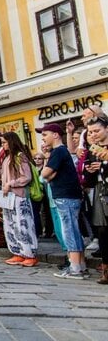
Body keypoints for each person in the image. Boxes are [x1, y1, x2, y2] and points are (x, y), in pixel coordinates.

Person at [36, 123, 86, 278]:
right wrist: (49, 174)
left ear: (55, 135)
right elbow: (47, 176)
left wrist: (49, 173)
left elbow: (44, 174)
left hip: (65, 196)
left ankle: (75, 267)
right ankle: (81, 265)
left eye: (45, 134)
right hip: (69, 195)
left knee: (69, 231)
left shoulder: (58, 152)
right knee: (73, 229)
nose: (43, 138)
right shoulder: (60, 152)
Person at [0, 132, 38, 267]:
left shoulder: (20, 156)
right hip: (8, 197)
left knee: (22, 224)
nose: (3, 145)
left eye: (5, 143)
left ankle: (29, 253)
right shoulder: (6, 158)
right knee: (10, 225)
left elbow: (26, 177)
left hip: (19, 196)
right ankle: (17, 251)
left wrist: (11, 183)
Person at [84, 116, 108, 283]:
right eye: (91, 132)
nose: (93, 134)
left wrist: (104, 166)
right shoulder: (93, 149)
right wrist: (89, 171)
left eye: (97, 131)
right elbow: (89, 180)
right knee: (103, 231)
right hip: (100, 190)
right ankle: (106, 270)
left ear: (106, 129)